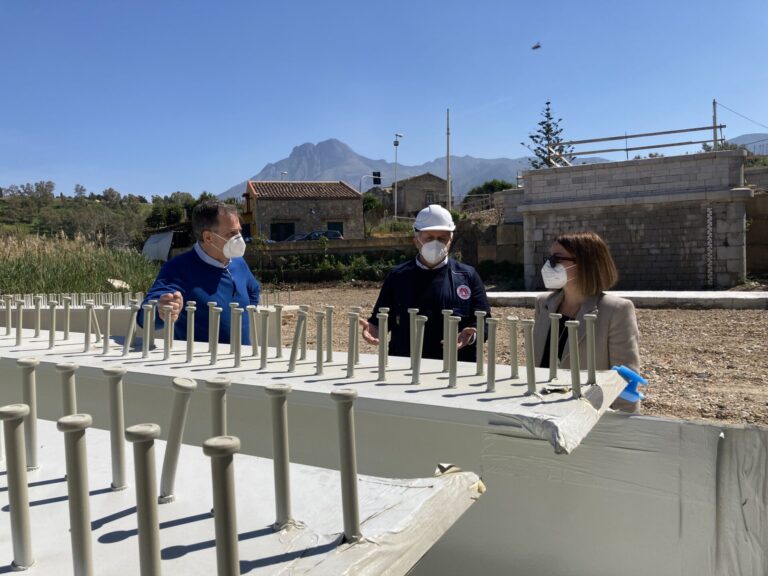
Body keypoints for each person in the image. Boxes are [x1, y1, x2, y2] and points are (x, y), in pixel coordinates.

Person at [360, 204, 491, 362]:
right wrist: (373, 330)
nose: (435, 243)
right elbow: (380, 320)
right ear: (416, 240)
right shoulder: (398, 276)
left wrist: (471, 335)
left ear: (451, 240)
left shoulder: (468, 276)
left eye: (442, 238)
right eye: (429, 238)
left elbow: (485, 323)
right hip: (405, 367)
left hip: (456, 367)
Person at [533, 231, 641, 412]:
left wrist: (624, 427)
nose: (549, 264)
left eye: (557, 259)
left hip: (588, 416)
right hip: (542, 408)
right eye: (549, 258)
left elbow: (624, 378)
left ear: (585, 263)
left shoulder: (616, 310)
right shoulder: (543, 304)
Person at [138, 200, 260, 343]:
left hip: (242, 360)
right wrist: (162, 311)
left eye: (239, 231)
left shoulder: (239, 262)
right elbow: (144, 318)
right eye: (231, 233)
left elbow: (254, 290)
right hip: (201, 363)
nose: (239, 238)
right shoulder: (178, 268)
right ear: (208, 237)